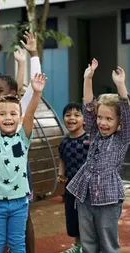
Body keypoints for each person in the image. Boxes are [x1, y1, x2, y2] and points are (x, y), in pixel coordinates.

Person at [66, 59, 130, 253]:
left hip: (108, 200)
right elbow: (88, 106)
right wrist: (88, 78)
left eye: (109, 119)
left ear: (119, 122)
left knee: (108, 244)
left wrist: (120, 85)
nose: (102, 122)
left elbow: (127, 111)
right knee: (88, 243)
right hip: (85, 196)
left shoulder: (122, 138)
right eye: (100, 117)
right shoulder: (94, 133)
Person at [0, 66, 46, 253]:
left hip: (19, 201)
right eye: (2, 114)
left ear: (20, 117)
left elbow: (31, 113)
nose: (8, 117)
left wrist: (36, 92)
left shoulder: (23, 137)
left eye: (12, 114)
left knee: (18, 243)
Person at [57, 102, 89, 253]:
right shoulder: (64, 142)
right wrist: (61, 173)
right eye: (68, 115)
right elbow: (62, 159)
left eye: (77, 115)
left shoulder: (89, 140)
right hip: (70, 187)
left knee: (86, 219)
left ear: (84, 119)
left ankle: (89, 246)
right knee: (73, 219)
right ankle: (78, 245)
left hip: (86, 189)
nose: (72, 118)